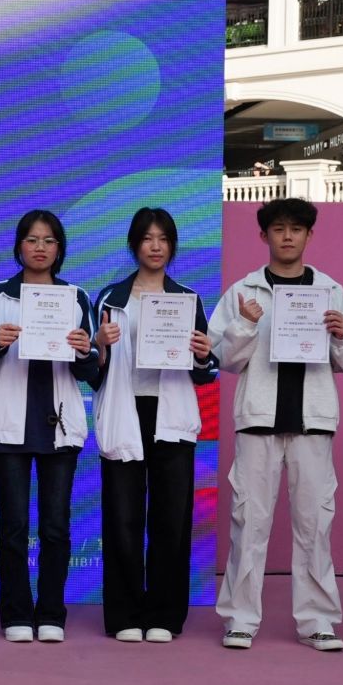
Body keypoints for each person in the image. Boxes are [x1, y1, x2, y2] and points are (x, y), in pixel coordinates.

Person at [208, 195, 343, 652]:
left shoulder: (331, 291)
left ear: (309, 235)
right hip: (258, 420)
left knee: (315, 524)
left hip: (313, 421)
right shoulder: (244, 291)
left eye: (296, 229)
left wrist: (342, 335)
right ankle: (240, 619)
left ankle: (318, 621)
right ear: (264, 235)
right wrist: (244, 325)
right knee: (248, 523)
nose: (288, 236)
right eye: (279, 229)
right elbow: (223, 359)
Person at [90, 206, 217, 643]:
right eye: (147, 238)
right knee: (122, 518)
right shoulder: (110, 299)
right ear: (134, 245)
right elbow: (92, 371)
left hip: (172, 417)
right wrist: (100, 347)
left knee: (171, 519)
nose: (156, 246)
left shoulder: (187, 300)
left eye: (163, 239)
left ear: (173, 246)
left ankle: (164, 614)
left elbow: (205, 372)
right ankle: (124, 614)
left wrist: (202, 354)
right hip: (125, 412)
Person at [0, 210, 98, 643]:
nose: (40, 247)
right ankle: (15, 614)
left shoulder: (76, 298)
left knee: (55, 527)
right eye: (32, 239)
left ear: (59, 248)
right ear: (19, 246)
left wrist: (84, 350)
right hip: (9, 425)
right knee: (12, 527)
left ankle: (51, 614)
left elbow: (92, 371)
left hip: (59, 427)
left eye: (48, 240)